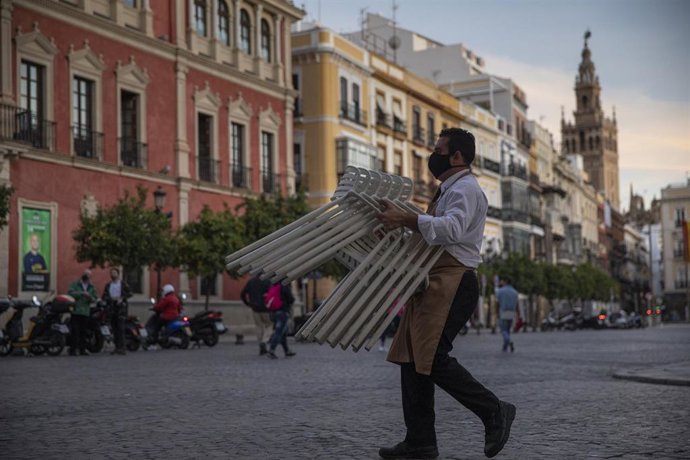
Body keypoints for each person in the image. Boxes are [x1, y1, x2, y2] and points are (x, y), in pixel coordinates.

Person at [376, 128, 515, 459]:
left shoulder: (465, 190)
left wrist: (408, 218)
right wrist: (400, 225)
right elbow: (430, 233)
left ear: (457, 157)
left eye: (438, 149)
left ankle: (494, 411)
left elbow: (450, 230)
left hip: (455, 281)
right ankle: (420, 441)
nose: (432, 155)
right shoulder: (448, 190)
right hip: (434, 280)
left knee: (433, 357)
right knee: (412, 358)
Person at [67, 269, 98, 356]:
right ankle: (73, 349)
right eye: (85, 274)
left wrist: (90, 298)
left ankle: (82, 349)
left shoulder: (91, 286)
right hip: (76, 310)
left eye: (88, 275)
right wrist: (81, 294)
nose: (86, 276)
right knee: (75, 331)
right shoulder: (75, 284)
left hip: (85, 311)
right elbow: (70, 293)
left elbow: (95, 297)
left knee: (83, 331)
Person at [240, 274, 272, 355]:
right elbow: (272, 294)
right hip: (266, 309)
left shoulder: (251, 281)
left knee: (258, 326)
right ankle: (264, 341)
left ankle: (261, 343)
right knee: (270, 325)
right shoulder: (267, 281)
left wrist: (248, 303)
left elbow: (243, 293)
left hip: (255, 308)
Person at [102, 268, 132, 355]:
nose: (113, 274)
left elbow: (130, 293)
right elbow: (104, 296)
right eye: (111, 273)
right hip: (111, 308)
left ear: (118, 274)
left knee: (121, 328)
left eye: (114, 273)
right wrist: (110, 299)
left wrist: (122, 298)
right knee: (114, 328)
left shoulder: (123, 284)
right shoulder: (108, 285)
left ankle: (122, 347)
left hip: (121, 308)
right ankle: (117, 347)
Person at [266, 283, 296, 359]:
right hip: (282, 312)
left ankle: (287, 350)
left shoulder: (273, 286)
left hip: (274, 312)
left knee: (283, 332)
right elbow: (291, 299)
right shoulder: (284, 286)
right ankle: (271, 350)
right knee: (279, 332)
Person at [496, 277, 519, 352]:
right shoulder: (515, 292)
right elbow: (517, 304)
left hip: (503, 312)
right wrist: (518, 314)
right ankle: (505, 346)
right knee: (508, 330)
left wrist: (497, 313)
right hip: (512, 313)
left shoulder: (500, 291)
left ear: (505, 282)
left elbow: (497, 303)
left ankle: (509, 341)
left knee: (503, 330)